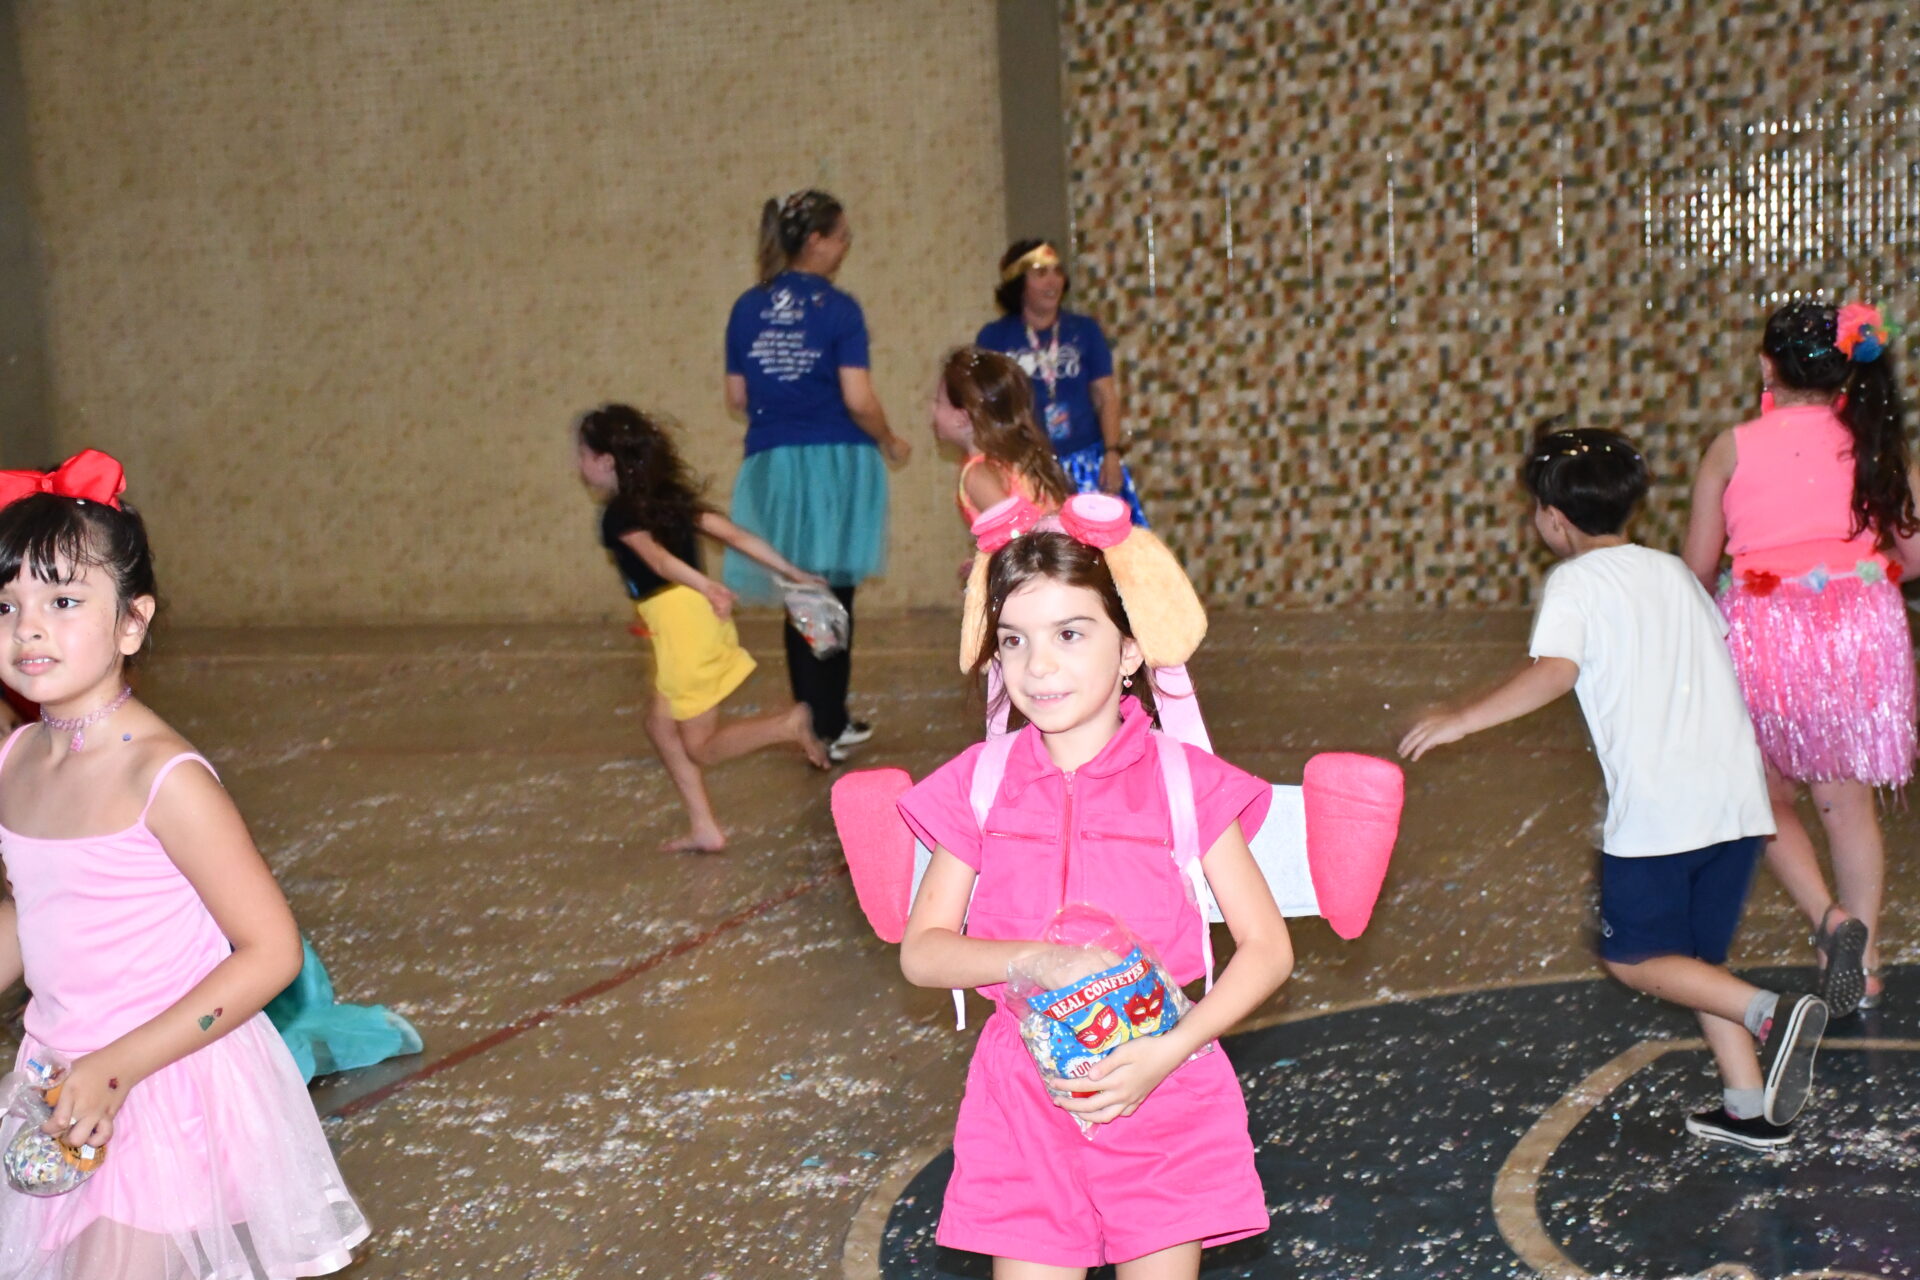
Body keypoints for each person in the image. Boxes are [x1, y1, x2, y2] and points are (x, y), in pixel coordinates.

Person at [1401, 427, 1827, 1151]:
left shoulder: (1576, 583)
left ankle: (1772, 1014)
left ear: (1552, 518)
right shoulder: (1674, 573)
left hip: (1662, 815)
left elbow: (1554, 671)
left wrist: (1462, 718)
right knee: (1693, 963)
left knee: (1631, 958)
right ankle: (1747, 1105)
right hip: (1737, 806)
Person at [0, 452, 367, 1276]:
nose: (28, 628)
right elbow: (44, 912)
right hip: (62, 1080)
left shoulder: (165, 779)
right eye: (5, 605)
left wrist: (120, 1068)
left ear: (132, 623)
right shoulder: (16, 759)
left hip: (163, 1083)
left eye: (63, 601)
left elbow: (270, 952)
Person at [895, 525, 1292, 1274]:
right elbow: (923, 952)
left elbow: (1268, 949)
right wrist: (1038, 961)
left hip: (1164, 1083)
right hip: (1022, 1100)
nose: (1038, 665)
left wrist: (1166, 1054)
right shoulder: (979, 783)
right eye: (1013, 641)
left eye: (1070, 634)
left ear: (1131, 650)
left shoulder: (1187, 782)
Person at [1682, 300, 1915, 1017]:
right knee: (1846, 805)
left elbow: (1696, 569)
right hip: (1859, 633)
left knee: (1761, 795)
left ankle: (1828, 918)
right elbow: (1914, 557)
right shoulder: (1876, 445)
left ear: (1766, 367)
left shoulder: (1730, 448)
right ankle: (1864, 965)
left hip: (1765, 636)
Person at [578, 405, 830, 853]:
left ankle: (785, 726)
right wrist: (793, 571)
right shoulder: (668, 499)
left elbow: (658, 561)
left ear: (606, 460)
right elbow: (734, 535)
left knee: (700, 747)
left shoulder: (619, 514)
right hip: (691, 622)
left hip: (683, 629)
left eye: (582, 454)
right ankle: (704, 827)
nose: (579, 464)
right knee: (660, 725)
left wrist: (705, 584)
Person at [724, 189, 911, 763]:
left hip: (773, 461)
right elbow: (858, 398)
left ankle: (814, 716)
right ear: (815, 242)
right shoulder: (839, 309)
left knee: (800, 588)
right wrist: (889, 437)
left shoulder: (747, 307)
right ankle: (829, 721)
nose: (845, 247)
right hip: (835, 459)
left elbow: (737, 396)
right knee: (834, 591)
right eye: (842, 237)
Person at [976, 239, 1146, 526]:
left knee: (1102, 545)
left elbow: (1106, 396)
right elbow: (987, 409)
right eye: (1041, 273)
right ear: (1019, 284)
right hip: (1027, 469)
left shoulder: (1084, 331)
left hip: (1087, 465)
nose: (1052, 280)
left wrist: (1112, 452)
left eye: (1057, 271)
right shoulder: (994, 338)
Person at [931, 345, 1072, 525]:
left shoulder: (977, 475)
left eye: (938, 402)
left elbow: (1017, 533)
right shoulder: (1019, 457)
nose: (932, 410)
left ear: (962, 418)